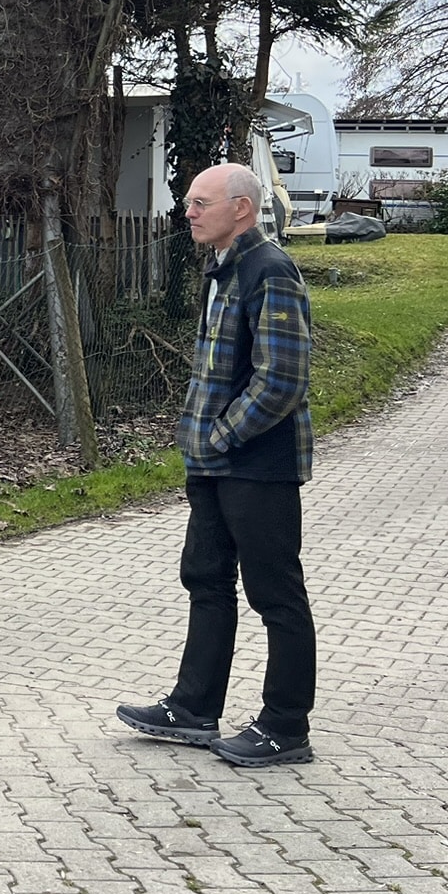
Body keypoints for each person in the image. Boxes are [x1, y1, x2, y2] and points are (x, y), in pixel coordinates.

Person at [119, 162, 316, 768]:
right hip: (213, 463)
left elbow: (282, 379)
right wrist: (203, 444)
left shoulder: (270, 270)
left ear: (242, 209)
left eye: (201, 202)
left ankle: (286, 726)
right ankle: (193, 708)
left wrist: (223, 436)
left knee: (274, 593)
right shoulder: (223, 268)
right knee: (205, 579)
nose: (189, 212)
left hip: (258, 465)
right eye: (189, 202)